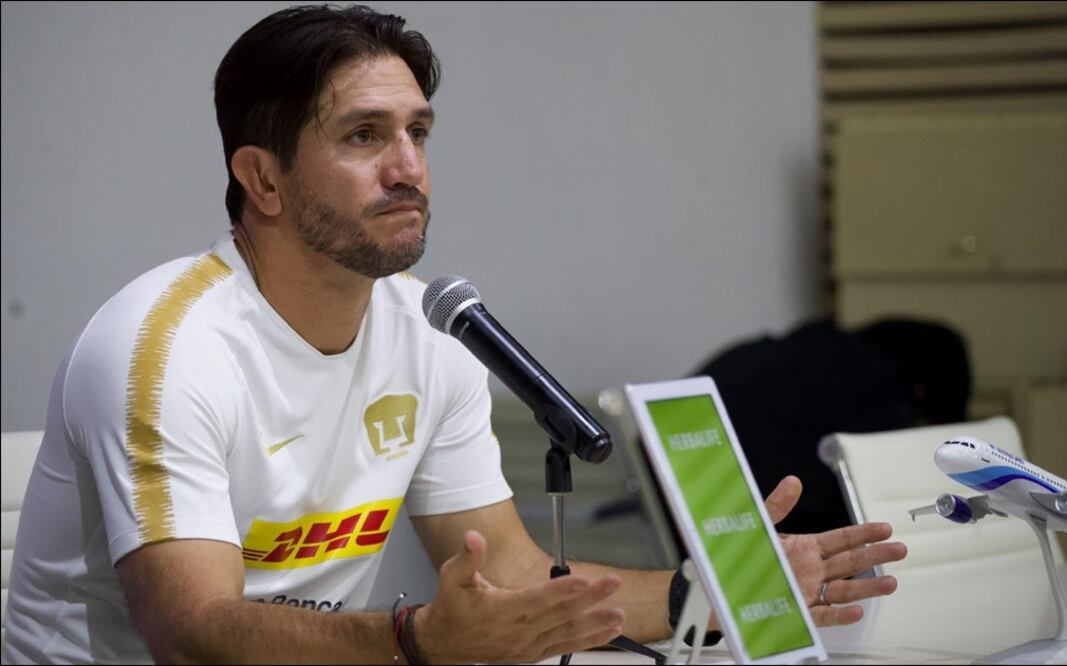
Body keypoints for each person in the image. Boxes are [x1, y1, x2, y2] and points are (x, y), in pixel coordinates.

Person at [1, 6, 907, 664]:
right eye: (364, 135)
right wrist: (414, 640)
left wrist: (700, 591)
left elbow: (509, 569)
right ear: (262, 179)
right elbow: (191, 635)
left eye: (418, 133)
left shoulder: (435, 332)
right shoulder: (162, 350)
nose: (409, 170)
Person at [693, 318, 971, 535]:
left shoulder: (804, 346)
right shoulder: (877, 400)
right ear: (921, 392)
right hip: (708, 524)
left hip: (665, 472)